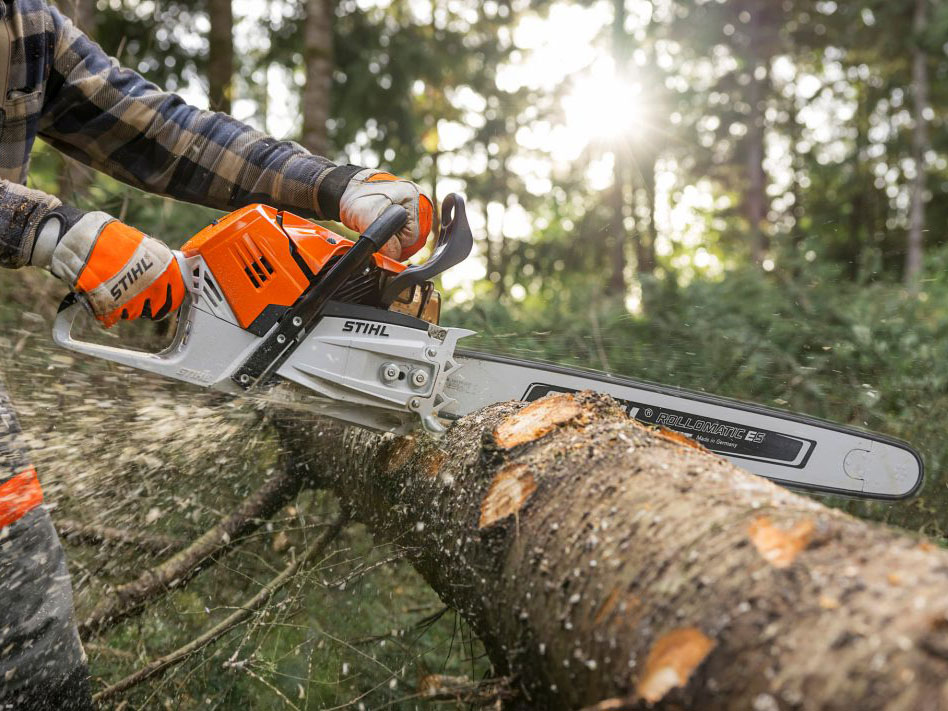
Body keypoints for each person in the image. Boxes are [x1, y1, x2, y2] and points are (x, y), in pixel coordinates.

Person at [0, 1, 434, 708]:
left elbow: (165, 130)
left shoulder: (27, 29)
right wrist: (53, 231)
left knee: (29, 642)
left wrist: (337, 185)